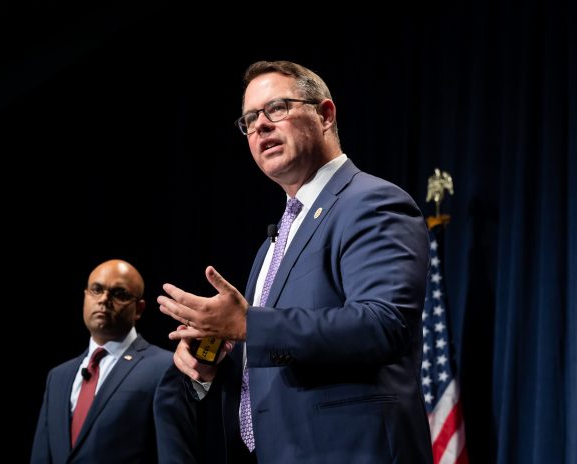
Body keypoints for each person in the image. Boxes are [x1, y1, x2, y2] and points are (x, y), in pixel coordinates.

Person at [157, 60, 433, 463]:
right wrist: (219, 357)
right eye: (250, 119)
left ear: (325, 114)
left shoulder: (372, 202)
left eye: (277, 108)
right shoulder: (272, 244)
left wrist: (249, 323)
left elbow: (383, 324)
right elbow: (278, 354)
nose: (261, 126)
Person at [31, 259, 174, 464]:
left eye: (119, 294)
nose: (104, 299)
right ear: (85, 297)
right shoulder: (57, 377)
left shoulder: (163, 367)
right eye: (96, 290)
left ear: (139, 309)